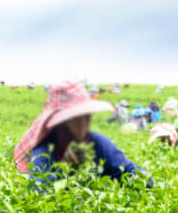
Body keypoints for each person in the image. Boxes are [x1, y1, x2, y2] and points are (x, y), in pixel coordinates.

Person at [14, 81, 150, 191]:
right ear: (61, 122)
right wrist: (64, 170)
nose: (86, 121)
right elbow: (39, 194)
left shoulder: (98, 143)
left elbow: (137, 175)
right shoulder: (44, 152)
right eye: (78, 117)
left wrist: (140, 178)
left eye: (87, 115)